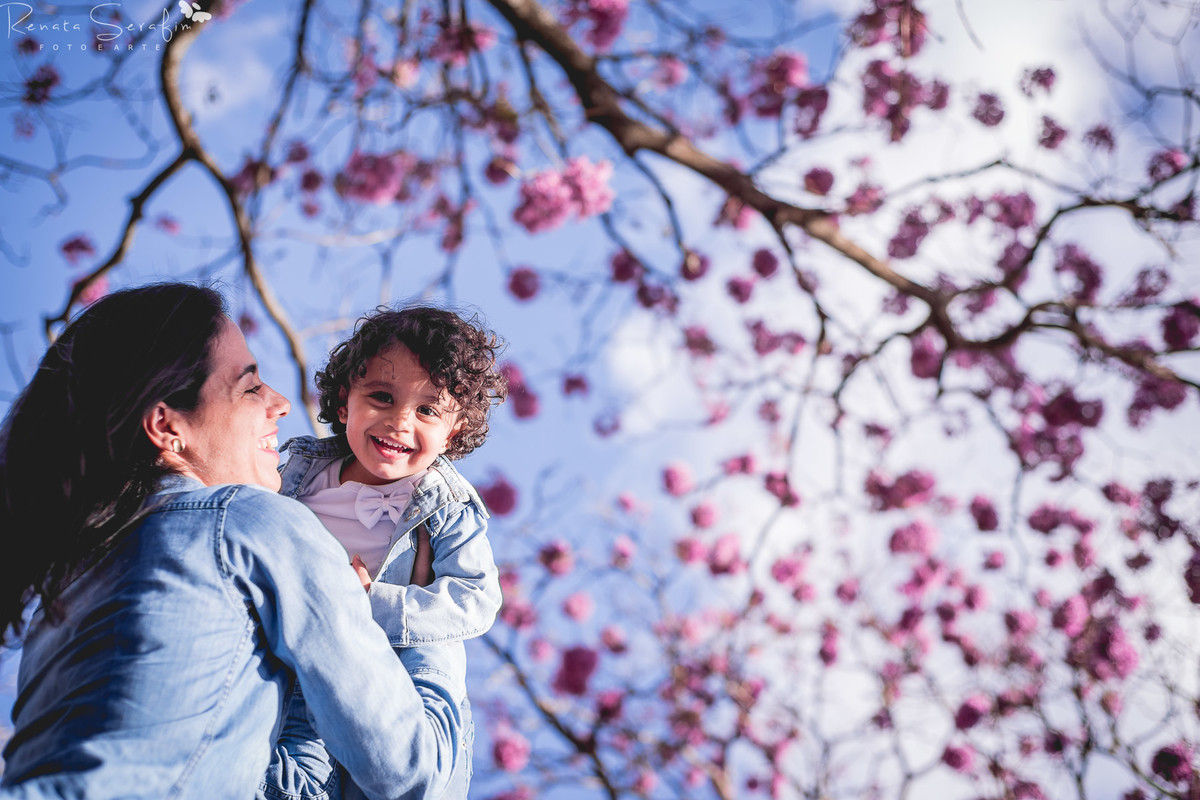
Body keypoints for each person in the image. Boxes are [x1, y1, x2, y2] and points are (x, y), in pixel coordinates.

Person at [0, 283, 464, 800]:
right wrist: (431, 627)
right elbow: (414, 772)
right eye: (249, 388)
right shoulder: (250, 521)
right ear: (167, 425)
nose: (281, 403)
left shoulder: (61, 599)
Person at [260, 306, 506, 800]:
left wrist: (372, 603)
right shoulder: (297, 473)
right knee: (275, 769)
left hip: (374, 666)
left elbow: (476, 597)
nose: (399, 422)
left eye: (428, 410)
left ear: (452, 432)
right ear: (344, 401)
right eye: (381, 396)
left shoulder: (446, 507)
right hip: (284, 652)